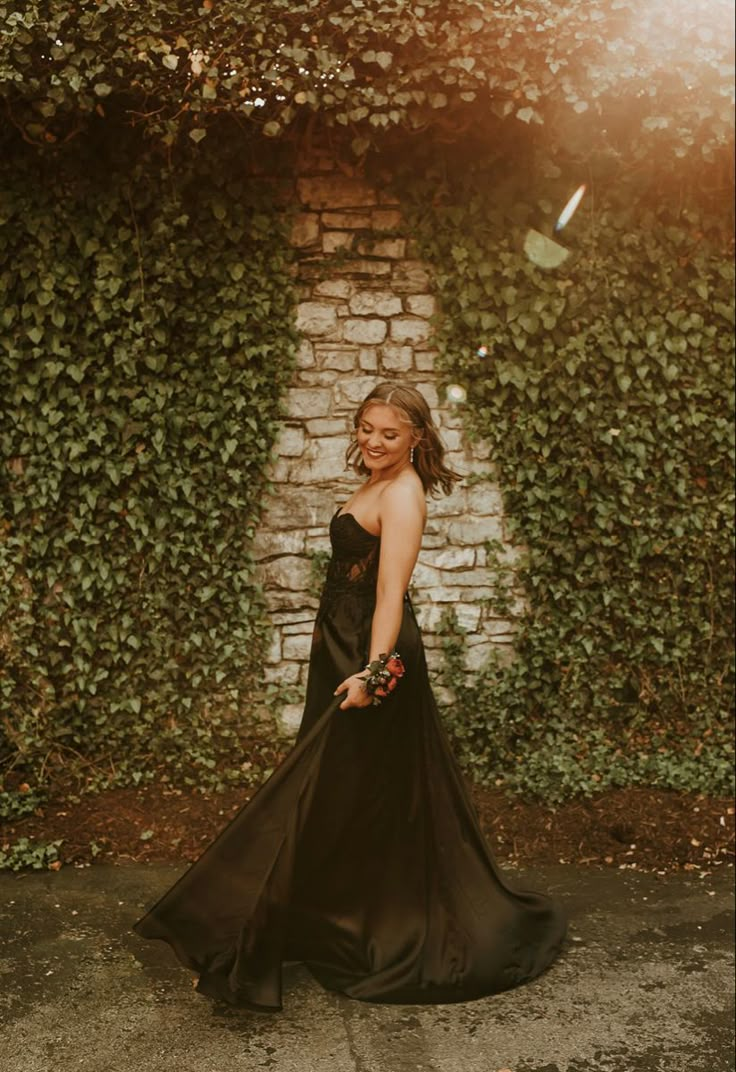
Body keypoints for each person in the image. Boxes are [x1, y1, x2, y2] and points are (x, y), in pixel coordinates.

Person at [133, 381, 567, 1010]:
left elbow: (391, 594)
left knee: (317, 789)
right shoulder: (374, 481)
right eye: (367, 428)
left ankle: (255, 946)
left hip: (369, 657)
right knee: (351, 795)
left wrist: (375, 675)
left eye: (389, 434)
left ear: (417, 437)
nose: (373, 441)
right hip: (340, 647)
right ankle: (325, 920)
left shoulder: (405, 492)